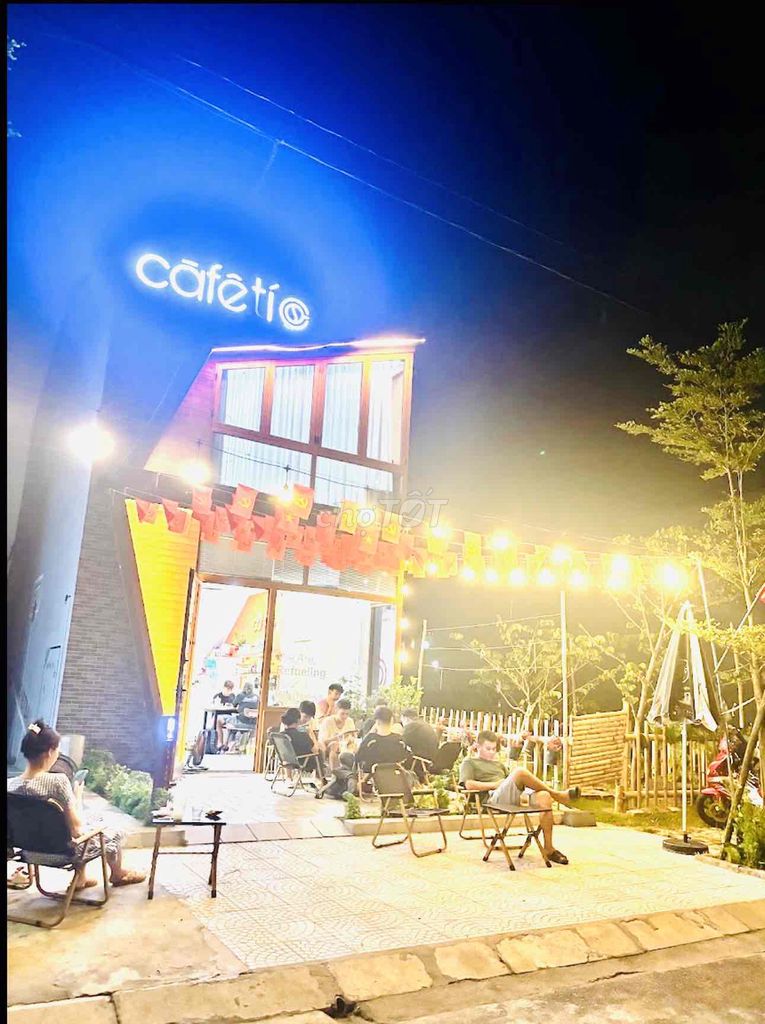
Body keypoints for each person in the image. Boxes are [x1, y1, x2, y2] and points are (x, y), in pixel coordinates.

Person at [7, 721, 145, 887]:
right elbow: (77, 831)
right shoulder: (57, 782)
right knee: (114, 829)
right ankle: (118, 873)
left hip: (27, 852)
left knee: (91, 819)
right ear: (50, 752)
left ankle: (80, 878)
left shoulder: (10, 786)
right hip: (64, 853)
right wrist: (77, 796)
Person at [459, 730, 578, 865]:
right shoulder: (469, 762)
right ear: (478, 746)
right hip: (493, 799)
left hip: (511, 796)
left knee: (544, 796)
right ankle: (558, 795)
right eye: (488, 749)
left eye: (494, 749)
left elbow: (513, 784)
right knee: (520, 772)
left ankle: (549, 849)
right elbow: (468, 785)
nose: (491, 752)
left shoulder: (499, 765)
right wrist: (495, 785)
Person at [355, 707, 412, 773]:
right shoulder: (400, 740)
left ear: (377, 722)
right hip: (395, 775)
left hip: (372, 776)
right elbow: (408, 758)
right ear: (392, 720)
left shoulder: (369, 740)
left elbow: (357, 758)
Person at [279, 708, 326, 782]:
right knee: (319, 753)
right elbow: (315, 750)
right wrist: (311, 735)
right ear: (298, 720)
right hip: (301, 761)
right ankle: (320, 779)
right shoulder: (302, 736)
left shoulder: (280, 735)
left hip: (286, 760)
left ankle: (289, 777)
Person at [317, 698, 357, 770]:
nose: (344, 716)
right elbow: (323, 741)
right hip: (330, 747)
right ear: (336, 711)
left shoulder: (350, 721)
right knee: (335, 745)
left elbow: (354, 736)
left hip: (347, 746)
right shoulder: (327, 721)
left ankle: (355, 772)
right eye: (342, 714)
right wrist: (337, 738)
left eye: (347, 714)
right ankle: (335, 772)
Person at [401, 708, 439, 779]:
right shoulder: (424, 724)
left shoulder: (411, 725)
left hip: (420, 760)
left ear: (405, 718)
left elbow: (401, 741)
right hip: (431, 757)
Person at [227, 683, 259, 752]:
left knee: (222, 720)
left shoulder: (240, 696)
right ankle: (240, 745)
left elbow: (234, 705)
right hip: (254, 724)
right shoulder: (257, 697)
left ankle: (223, 745)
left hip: (242, 722)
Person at [212, 680, 237, 752]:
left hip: (228, 716)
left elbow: (235, 706)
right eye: (227, 689)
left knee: (232, 724)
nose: (228, 691)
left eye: (230, 689)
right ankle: (220, 743)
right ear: (223, 687)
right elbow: (213, 706)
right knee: (217, 721)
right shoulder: (217, 696)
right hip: (218, 715)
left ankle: (226, 745)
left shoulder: (233, 697)